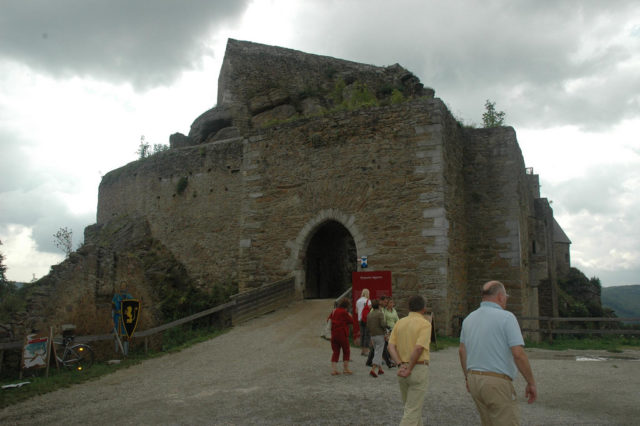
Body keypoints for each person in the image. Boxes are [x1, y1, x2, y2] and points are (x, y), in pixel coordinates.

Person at [458, 280, 537, 426]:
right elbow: (518, 354)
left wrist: (467, 378)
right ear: (500, 296)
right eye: (506, 296)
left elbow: (462, 351)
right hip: (496, 381)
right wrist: (531, 382)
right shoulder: (507, 318)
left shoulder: (469, 319)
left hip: (474, 378)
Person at [388, 295, 432, 426]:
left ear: (409, 307)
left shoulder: (400, 322)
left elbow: (391, 346)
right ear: (424, 308)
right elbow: (418, 348)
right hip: (417, 368)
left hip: (402, 369)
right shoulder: (425, 324)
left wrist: (400, 364)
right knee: (412, 410)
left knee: (411, 407)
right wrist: (410, 368)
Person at [328, 297, 360, 375]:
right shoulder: (344, 312)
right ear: (347, 305)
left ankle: (334, 370)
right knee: (346, 351)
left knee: (335, 351)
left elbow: (328, 320)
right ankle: (345, 369)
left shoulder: (334, 311)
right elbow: (351, 321)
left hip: (334, 334)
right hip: (342, 334)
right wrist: (349, 315)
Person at [366, 299, 387, 377]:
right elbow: (383, 324)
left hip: (372, 335)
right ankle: (373, 369)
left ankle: (380, 369)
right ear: (378, 306)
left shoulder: (369, 314)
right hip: (380, 335)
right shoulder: (380, 314)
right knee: (378, 352)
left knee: (377, 351)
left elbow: (367, 326)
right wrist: (387, 325)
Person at [112, 286, 133, 355]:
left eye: (124, 286)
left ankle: (125, 354)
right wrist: (112, 318)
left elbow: (133, 305)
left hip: (126, 319)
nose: (122, 288)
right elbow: (113, 308)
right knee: (116, 336)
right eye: (121, 286)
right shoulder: (116, 297)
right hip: (117, 318)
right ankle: (116, 352)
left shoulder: (129, 297)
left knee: (125, 336)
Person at [355, 288, 372, 356]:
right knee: (367, 335)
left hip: (360, 319)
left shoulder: (358, 301)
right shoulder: (368, 301)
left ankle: (362, 350)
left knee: (362, 334)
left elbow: (356, 311)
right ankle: (366, 350)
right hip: (367, 320)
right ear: (367, 293)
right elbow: (370, 310)